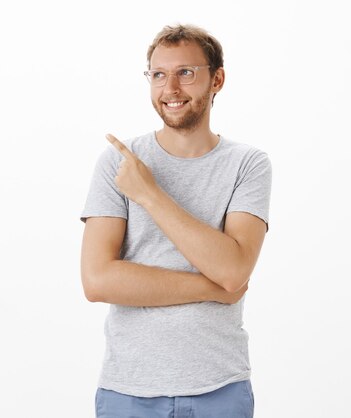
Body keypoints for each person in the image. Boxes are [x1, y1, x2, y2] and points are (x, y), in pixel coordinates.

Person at [79, 23, 272, 418]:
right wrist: (214, 288)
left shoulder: (247, 165)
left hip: (220, 388)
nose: (171, 89)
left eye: (186, 72)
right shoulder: (119, 162)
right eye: (159, 75)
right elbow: (97, 281)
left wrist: (149, 193)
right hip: (128, 390)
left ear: (216, 79)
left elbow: (233, 270)